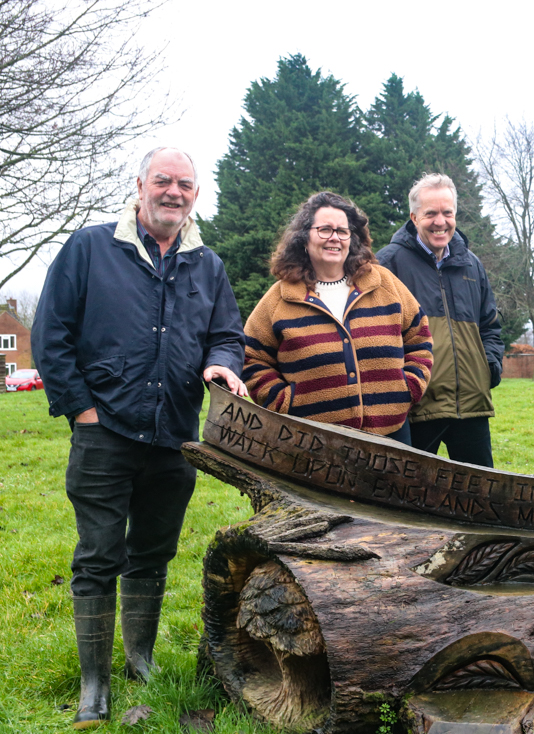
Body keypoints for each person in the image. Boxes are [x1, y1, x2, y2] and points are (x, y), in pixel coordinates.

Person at [31, 147, 247, 728]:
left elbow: (227, 334)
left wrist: (222, 364)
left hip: (175, 435)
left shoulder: (208, 265)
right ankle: (94, 685)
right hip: (105, 433)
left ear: (195, 195)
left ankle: (140, 659)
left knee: (153, 551)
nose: (173, 192)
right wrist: (80, 410)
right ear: (140, 186)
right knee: (99, 554)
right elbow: (51, 334)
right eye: (163, 181)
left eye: (184, 184)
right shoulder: (90, 248)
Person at [243, 191, 432, 443]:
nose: (335, 238)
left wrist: (409, 387)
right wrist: (284, 403)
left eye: (343, 231)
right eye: (325, 230)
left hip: (392, 435)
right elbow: (251, 357)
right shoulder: (280, 298)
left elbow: (419, 336)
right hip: (314, 444)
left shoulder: (383, 283)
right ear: (304, 237)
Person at [376, 173, 504, 467]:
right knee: (410, 497)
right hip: (417, 407)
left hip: (471, 406)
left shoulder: (472, 264)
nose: (440, 221)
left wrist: (489, 368)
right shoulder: (387, 264)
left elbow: (490, 326)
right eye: (431, 213)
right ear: (414, 216)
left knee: (481, 497)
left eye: (447, 213)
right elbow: (375, 334)